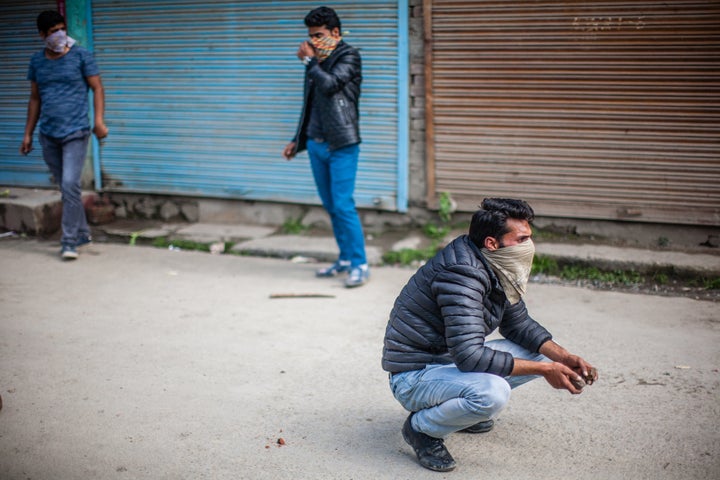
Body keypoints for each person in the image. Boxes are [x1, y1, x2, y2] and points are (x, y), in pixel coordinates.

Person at [382, 198, 597, 472]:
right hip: (414, 377)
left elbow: (517, 325)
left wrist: (563, 358)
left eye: (529, 238)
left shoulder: (494, 263)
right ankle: (421, 429)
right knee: (492, 394)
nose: (528, 246)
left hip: (448, 364)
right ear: (492, 243)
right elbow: (470, 356)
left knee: (536, 350)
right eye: (521, 239)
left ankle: (460, 414)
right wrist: (546, 370)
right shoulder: (461, 274)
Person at [282, 6, 369, 288]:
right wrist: (298, 139)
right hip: (317, 144)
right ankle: (344, 259)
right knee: (331, 206)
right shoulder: (317, 62)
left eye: (318, 35)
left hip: (342, 144)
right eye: (310, 36)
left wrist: (310, 63)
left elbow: (331, 85)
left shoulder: (348, 56)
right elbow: (309, 105)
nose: (312, 42)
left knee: (343, 205)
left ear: (335, 32)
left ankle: (360, 264)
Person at [20, 10, 108, 260]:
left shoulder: (81, 56)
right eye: (51, 32)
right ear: (41, 36)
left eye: (61, 29)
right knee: (67, 189)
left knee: (70, 184)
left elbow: (97, 87)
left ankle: (68, 241)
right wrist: (27, 134)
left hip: (76, 132)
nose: (58, 35)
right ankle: (82, 233)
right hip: (48, 134)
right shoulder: (37, 61)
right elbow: (35, 98)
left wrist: (99, 121)